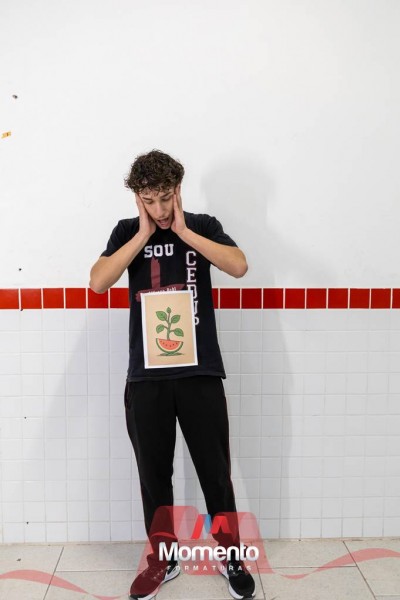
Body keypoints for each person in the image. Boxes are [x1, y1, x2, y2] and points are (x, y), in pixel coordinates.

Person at [89, 149, 255, 600]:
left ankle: (231, 555)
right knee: (153, 475)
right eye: (149, 200)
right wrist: (143, 234)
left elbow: (239, 266)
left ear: (178, 190)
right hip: (147, 377)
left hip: (200, 371)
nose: (160, 209)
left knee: (215, 472)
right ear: (137, 198)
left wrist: (182, 232)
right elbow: (99, 281)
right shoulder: (127, 231)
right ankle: (164, 559)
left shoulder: (201, 225)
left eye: (165, 198)